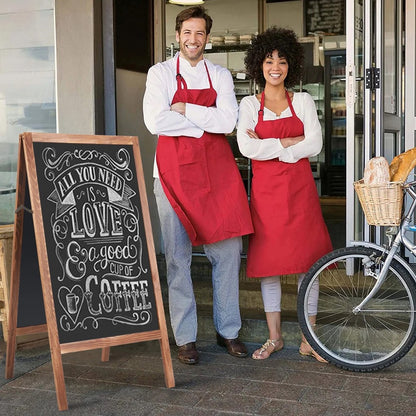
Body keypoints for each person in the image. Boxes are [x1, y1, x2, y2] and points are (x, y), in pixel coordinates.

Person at [143, 6, 253, 365]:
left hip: (216, 175)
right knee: (178, 259)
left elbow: (227, 122)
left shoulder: (219, 74)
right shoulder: (159, 73)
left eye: (200, 33)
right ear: (177, 36)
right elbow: (154, 121)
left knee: (228, 253)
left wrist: (185, 111)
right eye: (187, 32)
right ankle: (186, 337)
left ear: (207, 38)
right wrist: (203, 123)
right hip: (172, 176)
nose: (193, 39)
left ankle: (228, 331)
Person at [237, 27, 333, 361]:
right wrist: (289, 143)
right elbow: (246, 146)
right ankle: (275, 337)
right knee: (270, 266)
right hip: (266, 196)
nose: (275, 66)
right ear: (258, 65)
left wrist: (273, 148)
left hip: (300, 192)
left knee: (309, 263)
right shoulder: (249, 104)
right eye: (268, 59)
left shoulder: (303, 100)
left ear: (290, 63)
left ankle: (310, 340)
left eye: (281, 59)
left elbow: (316, 144)